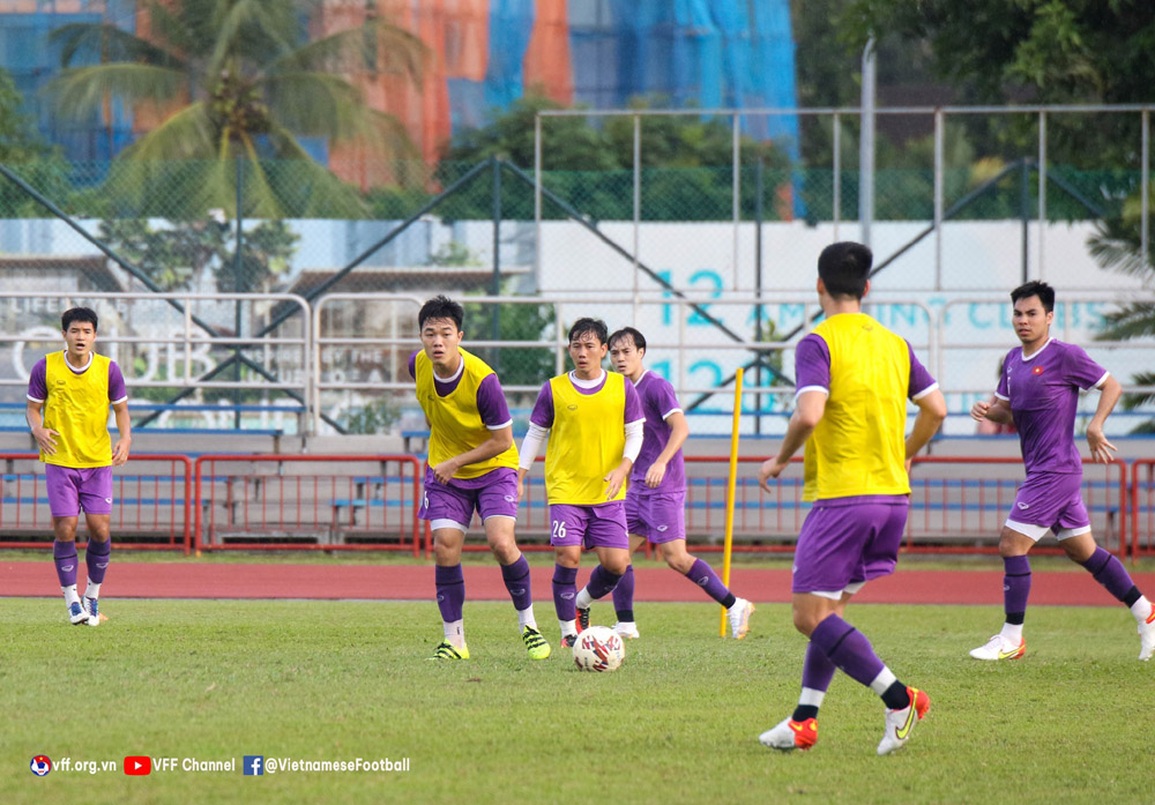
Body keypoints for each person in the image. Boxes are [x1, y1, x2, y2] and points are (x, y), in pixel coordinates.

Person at [756, 242, 947, 755]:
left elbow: (811, 413)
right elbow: (937, 408)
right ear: (867, 288)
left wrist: (778, 459)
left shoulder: (817, 342)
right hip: (892, 498)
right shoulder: (894, 343)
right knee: (829, 613)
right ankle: (803, 721)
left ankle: (901, 698)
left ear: (819, 286)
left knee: (807, 617)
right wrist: (905, 453)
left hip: (844, 497)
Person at [969, 280, 1155, 662]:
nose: (1024, 320)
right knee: (1083, 551)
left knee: (1011, 543)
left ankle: (1012, 637)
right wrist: (989, 411)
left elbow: (1112, 386)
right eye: (1018, 313)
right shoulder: (1011, 361)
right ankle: (1146, 612)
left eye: (1032, 313)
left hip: (1055, 470)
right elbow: (1008, 412)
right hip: (1043, 469)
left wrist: (1095, 425)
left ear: (1049, 317)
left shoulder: (1065, 356)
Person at [410, 295, 550, 661]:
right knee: (445, 545)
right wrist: (445, 454)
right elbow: (431, 408)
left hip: (494, 468)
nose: (437, 341)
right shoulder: (418, 364)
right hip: (446, 469)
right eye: (429, 333)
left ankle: (529, 626)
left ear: (460, 336)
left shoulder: (483, 380)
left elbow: (503, 440)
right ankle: (454, 640)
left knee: (501, 544)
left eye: (445, 333)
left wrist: (455, 461)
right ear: (421, 337)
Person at [606, 326, 754, 640]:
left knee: (676, 558)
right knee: (617, 555)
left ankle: (735, 603)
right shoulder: (618, 389)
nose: (620, 358)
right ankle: (626, 624)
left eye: (626, 352)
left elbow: (682, 428)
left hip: (664, 487)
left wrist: (660, 461)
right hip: (636, 487)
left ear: (641, 353)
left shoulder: (657, 386)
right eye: (615, 353)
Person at [517, 317, 644, 648]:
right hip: (566, 490)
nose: (582, 352)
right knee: (567, 556)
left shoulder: (622, 387)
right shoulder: (554, 389)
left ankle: (581, 602)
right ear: (569, 349)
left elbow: (635, 432)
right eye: (576, 346)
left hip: (608, 491)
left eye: (590, 346)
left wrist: (623, 468)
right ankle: (568, 633)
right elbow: (535, 433)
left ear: (603, 350)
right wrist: (519, 474)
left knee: (617, 564)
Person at [26, 307, 131, 627]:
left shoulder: (108, 370)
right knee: (65, 529)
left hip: (98, 462)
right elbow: (33, 408)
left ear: (95, 336)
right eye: (74, 331)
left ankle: (93, 596)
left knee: (100, 530)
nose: (80, 337)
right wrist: (37, 429)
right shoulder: (45, 367)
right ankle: (72, 600)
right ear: (64, 335)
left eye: (86, 331)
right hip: (60, 461)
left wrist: (126, 438)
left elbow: (122, 411)